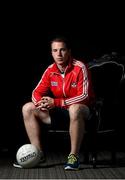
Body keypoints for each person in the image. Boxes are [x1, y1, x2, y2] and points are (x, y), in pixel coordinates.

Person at [13, 36, 95, 170]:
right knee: (28, 108)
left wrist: (56, 102)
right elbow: (36, 93)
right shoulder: (50, 70)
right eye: (55, 50)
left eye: (62, 50)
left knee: (75, 108)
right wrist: (41, 103)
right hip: (61, 113)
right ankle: (38, 154)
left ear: (69, 51)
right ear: (51, 53)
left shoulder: (80, 67)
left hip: (83, 113)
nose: (59, 54)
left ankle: (73, 157)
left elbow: (84, 96)